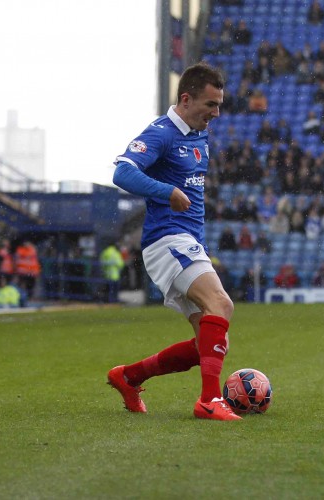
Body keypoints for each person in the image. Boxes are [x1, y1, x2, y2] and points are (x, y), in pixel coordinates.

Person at [109, 62, 240, 421]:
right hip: (167, 239)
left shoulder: (198, 131)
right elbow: (122, 171)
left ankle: (129, 377)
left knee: (208, 345)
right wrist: (164, 190)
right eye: (210, 105)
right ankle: (209, 401)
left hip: (188, 241)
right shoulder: (161, 133)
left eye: (219, 105)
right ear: (186, 98)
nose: (216, 113)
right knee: (220, 304)